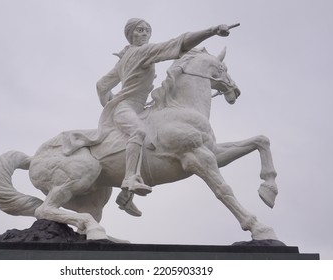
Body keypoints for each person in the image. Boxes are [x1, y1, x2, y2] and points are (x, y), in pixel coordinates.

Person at [96, 18, 232, 216]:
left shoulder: (124, 60)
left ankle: (125, 196)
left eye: (147, 31)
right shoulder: (143, 51)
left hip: (138, 108)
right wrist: (211, 31)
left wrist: (110, 99)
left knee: (154, 138)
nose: (144, 34)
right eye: (139, 30)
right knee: (139, 132)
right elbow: (178, 43)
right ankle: (130, 179)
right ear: (130, 34)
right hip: (125, 108)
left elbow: (101, 86)